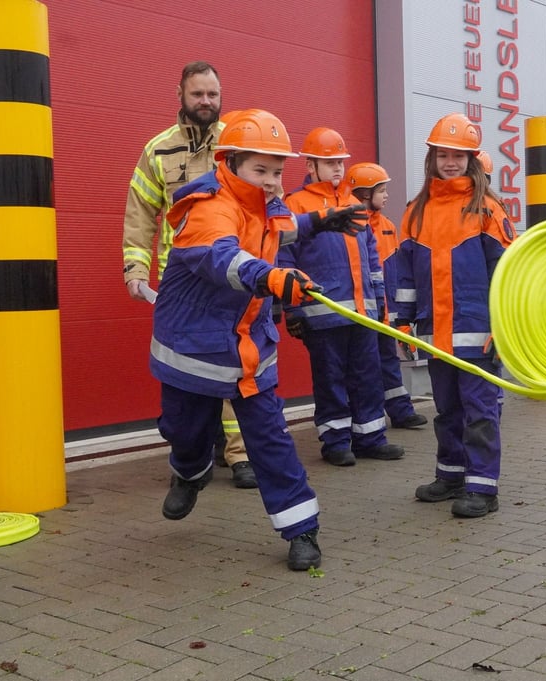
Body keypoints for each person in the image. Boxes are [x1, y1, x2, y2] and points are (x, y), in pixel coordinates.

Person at [149, 109, 367, 570]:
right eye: (260, 170)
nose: (271, 181)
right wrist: (271, 278)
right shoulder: (208, 206)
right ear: (228, 162)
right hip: (194, 350)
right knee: (184, 433)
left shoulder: (268, 206)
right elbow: (224, 260)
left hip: (250, 348)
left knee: (271, 440)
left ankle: (301, 529)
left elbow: (283, 230)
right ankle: (190, 473)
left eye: (276, 171)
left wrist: (323, 220)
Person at [121, 62, 256, 489]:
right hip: (180, 286)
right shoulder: (158, 150)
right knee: (185, 372)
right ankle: (199, 449)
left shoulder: (237, 143)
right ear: (180, 94)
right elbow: (140, 215)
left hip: (231, 276)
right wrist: (136, 269)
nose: (206, 102)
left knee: (235, 365)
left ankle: (239, 455)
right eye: (198, 94)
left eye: (213, 95)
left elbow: (259, 204)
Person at [396, 113, 514, 518]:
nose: (450, 162)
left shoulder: (488, 210)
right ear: (432, 158)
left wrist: (505, 328)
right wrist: (402, 320)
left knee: (480, 411)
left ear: (470, 159)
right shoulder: (415, 212)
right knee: (446, 408)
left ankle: (482, 487)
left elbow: (506, 275)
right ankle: (450, 475)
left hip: (479, 333)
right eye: (442, 155)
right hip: (435, 333)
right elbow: (407, 276)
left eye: (458, 155)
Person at [281, 128, 405, 466]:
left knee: (367, 377)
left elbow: (372, 259)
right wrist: (292, 310)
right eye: (329, 162)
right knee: (330, 380)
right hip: (322, 314)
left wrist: (380, 304)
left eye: (340, 162)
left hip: (362, 312)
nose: (337, 168)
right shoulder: (296, 205)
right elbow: (285, 261)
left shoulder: (353, 204)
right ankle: (336, 442)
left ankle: (371, 438)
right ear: (311, 165)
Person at [344, 162, 428, 430]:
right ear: (365, 194)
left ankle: (400, 411)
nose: (387, 195)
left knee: (389, 360)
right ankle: (364, 418)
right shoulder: (349, 224)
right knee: (363, 366)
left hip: (385, 309)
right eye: (382, 190)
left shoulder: (389, 226)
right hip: (363, 310)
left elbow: (396, 269)